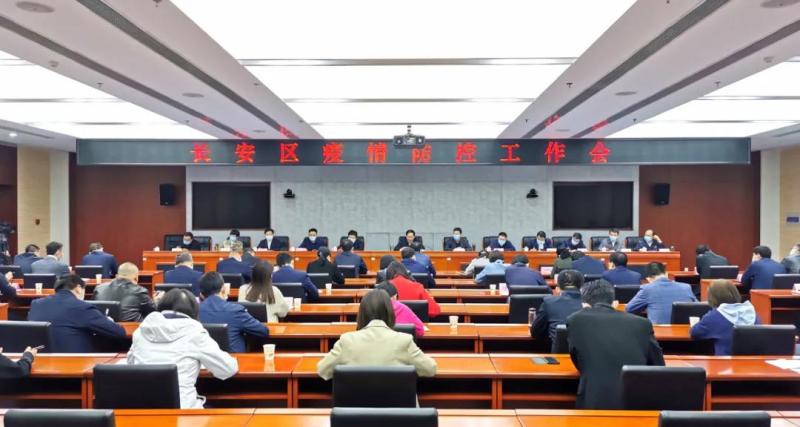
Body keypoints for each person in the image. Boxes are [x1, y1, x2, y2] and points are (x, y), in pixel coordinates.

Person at [128, 288, 238, 409]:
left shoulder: (141, 330)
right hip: (183, 409)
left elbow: (131, 364)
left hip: (143, 407)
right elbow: (228, 369)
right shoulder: (194, 332)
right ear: (194, 310)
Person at [568, 279, 665, 409]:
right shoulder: (642, 323)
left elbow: (577, 359)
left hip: (594, 399)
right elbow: (658, 364)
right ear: (614, 302)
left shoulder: (575, 320)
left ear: (584, 305)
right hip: (636, 401)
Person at [316, 289, 436, 380]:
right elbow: (430, 369)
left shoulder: (347, 340)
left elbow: (322, 370)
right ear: (390, 313)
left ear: (361, 314)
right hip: (397, 405)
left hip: (356, 405)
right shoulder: (404, 340)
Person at [28, 274, 125, 353]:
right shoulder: (82, 307)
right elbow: (119, 332)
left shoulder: (36, 304)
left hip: (40, 359)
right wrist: (108, 321)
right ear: (78, 288)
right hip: (73, 362)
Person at [198, 272, 269, 353]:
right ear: (223, 289)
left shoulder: (193, 312)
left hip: (203, 359)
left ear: (201, 294)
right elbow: (263, 331)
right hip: (233, 359)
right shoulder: (235, 310)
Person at [690, 280, 758, 355]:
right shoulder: (751, 313)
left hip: (725, 360)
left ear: (712, 298)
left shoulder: (714, 316)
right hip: (753, 360)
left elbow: (694, 333)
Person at [626, 262, 697, 324]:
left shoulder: (647, 289)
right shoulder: (686, 287)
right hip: (685, 331)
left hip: (659, 333)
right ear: (666, 273)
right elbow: (698, 307)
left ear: (648, 278)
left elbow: (629, 308)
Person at [531, 269, 583, 344]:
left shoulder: (549, 302)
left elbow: (535, 331)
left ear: (558, 287)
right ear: (581, 287)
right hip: (584, 350)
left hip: (557, 349)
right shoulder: (591, 304)